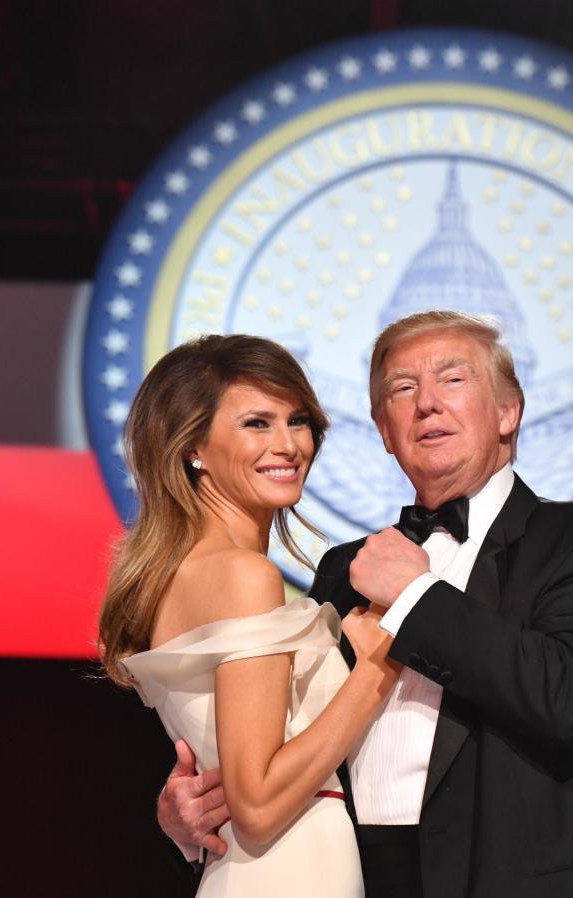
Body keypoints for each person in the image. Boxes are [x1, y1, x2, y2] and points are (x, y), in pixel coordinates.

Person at [160, 310, 573, 897]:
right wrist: (193, 811)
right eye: (403, 388)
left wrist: (415, 597)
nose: (427, 403)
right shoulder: (345, 570)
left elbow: (570, 698)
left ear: (508, 411)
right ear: (384, 430)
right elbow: (288, 746)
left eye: (453, 380)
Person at [99, 334, 399, 897]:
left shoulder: (191, 570)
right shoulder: (243, 576)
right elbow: (257, 803)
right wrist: (378, 668)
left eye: (298, 420)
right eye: (257, 423)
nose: (288, 444)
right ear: (192, 446)